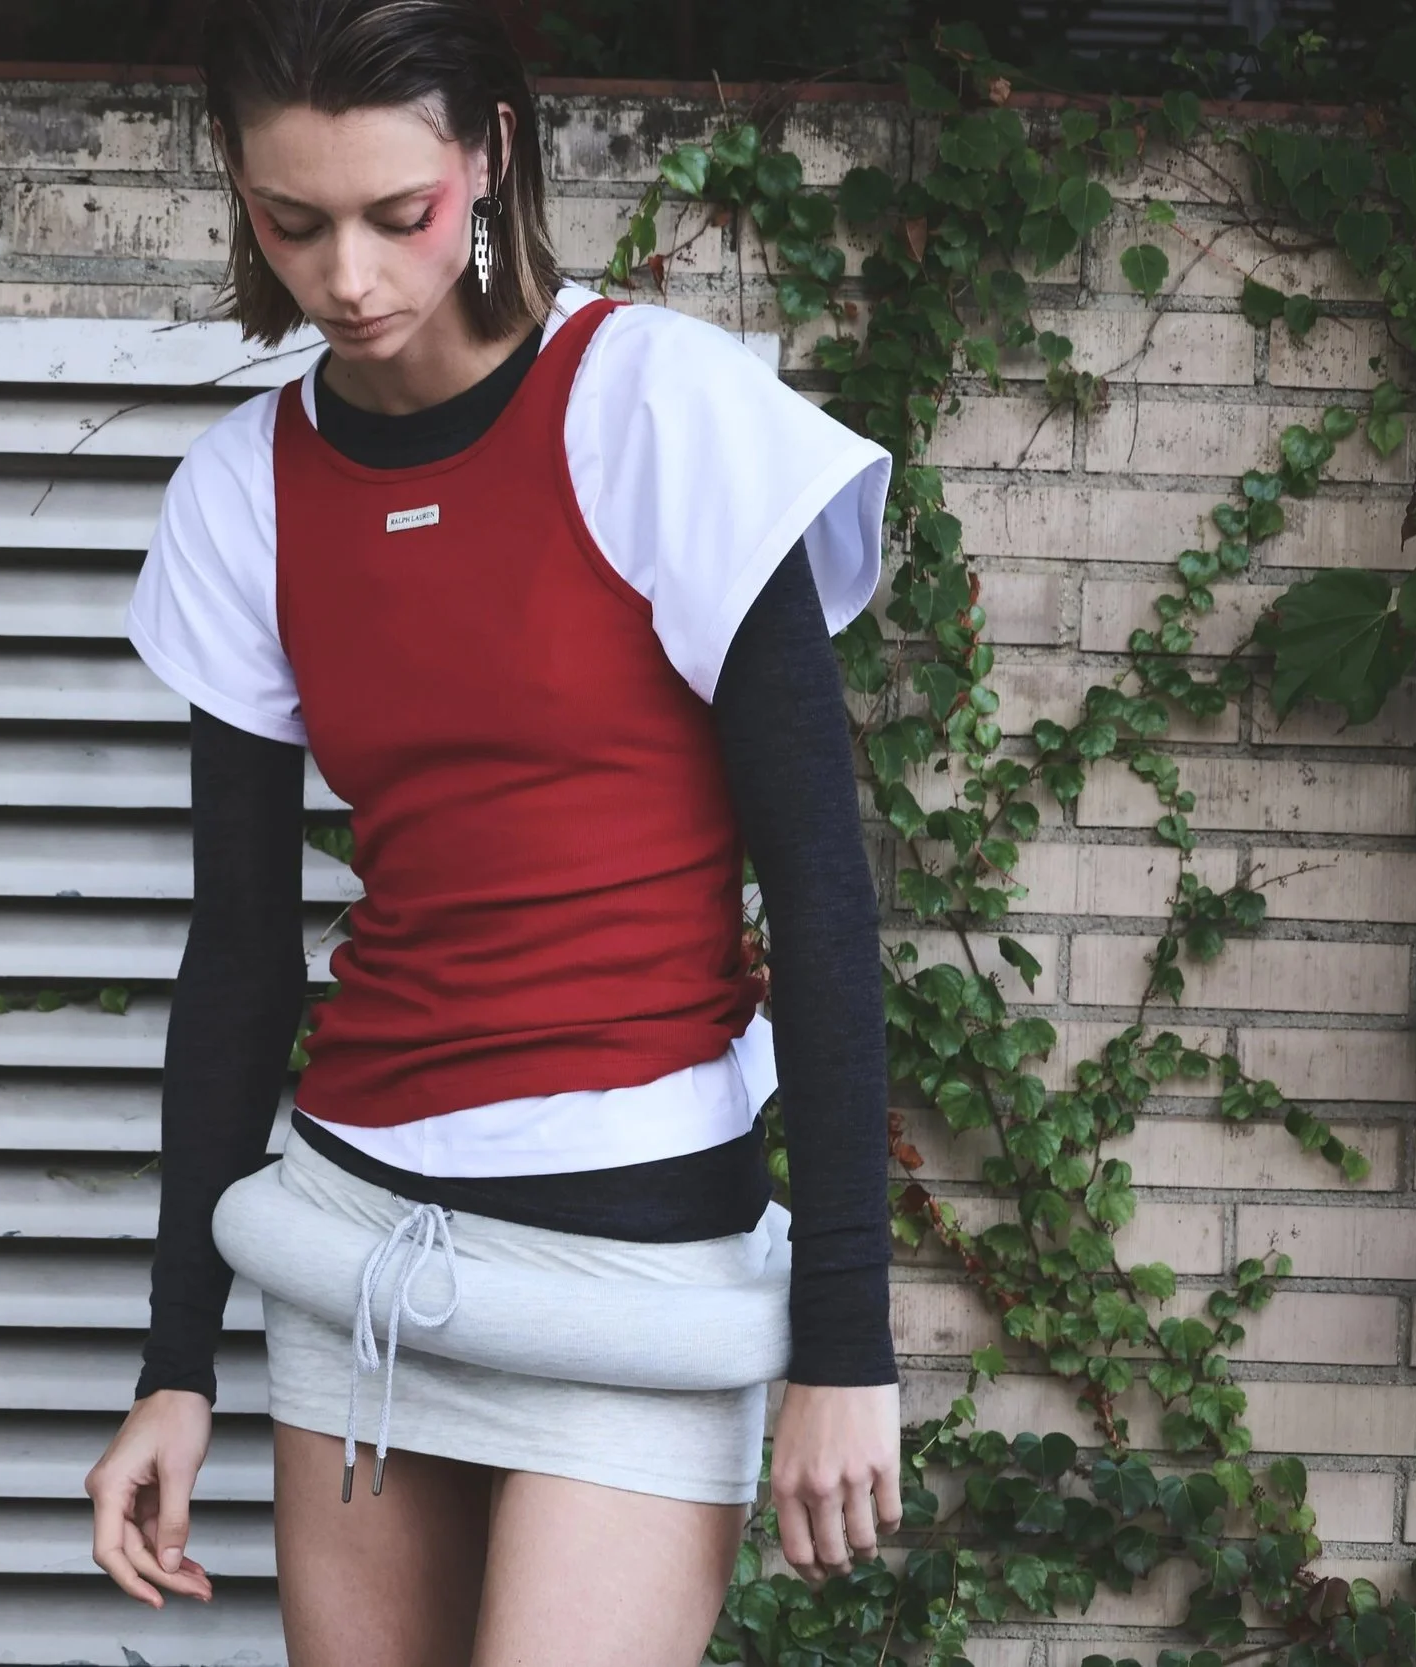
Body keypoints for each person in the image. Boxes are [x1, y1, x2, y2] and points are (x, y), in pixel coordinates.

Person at [86, 2, 901, 1660]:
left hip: (637, 1264)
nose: (349, 276)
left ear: (491, 156)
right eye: (292, 221)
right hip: (355, 1245)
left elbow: (821, 899)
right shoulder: (243, 492)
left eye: (402, 214)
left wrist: (846, 1342)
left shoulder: (658, 406)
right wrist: (175, 1363)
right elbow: (237, 954)